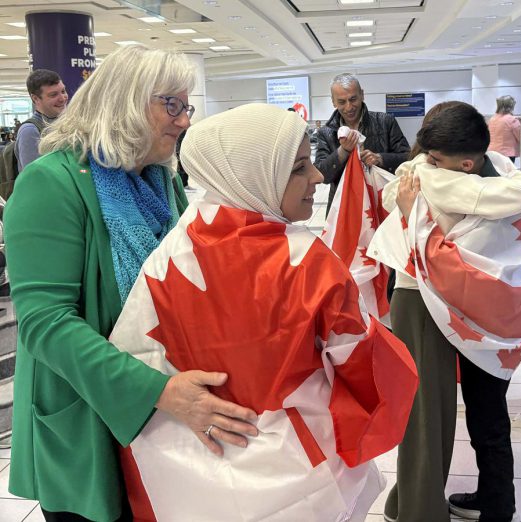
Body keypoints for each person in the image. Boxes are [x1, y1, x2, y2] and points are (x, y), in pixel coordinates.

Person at [107, 103, 418, 520]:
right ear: (253, 174)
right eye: (298, 168)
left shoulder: (166, 256)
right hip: (298, 473)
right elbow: (367, 368)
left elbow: (133, 359)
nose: (319, 176)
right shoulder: (308, 262)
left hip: (184, 476)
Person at [5, 45, 258, 522]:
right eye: (172, 105)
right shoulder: (50, 184)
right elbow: (45, 325)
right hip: (87, 414)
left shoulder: (160, 181)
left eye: (187, 107)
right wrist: (159, 392)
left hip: (160, 411)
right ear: (125, 101)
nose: (184, 121)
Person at [370, 102, 521, 522]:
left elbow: (398, 192)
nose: (426, 162)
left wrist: (415, 216)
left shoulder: (432, 179)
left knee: (437, 415)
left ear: (465, 161)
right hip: (468, 307)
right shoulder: (503, 173)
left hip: (440, 298)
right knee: (449, 413)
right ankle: (447, 503)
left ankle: (432, 508)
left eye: (435, 156)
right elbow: (394, 191)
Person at [314, 73, 411, 212]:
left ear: (362, 95)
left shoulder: (385, 121)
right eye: (341, 102)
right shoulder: (326, 132)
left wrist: (380, 159)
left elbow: (408, 158)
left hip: (382, 203)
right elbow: (322, 174)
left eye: (353, 99)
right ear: (333, 102)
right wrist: (343, 152)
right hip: (343, 208)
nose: (349, 107)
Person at [15, 69, 69, 172]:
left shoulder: (66, 123)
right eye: (53, 95)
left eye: (63, 91)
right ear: (35, 98)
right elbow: (34, 176)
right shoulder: (30, 130)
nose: (62, 98)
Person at [488, 95, 521, 162]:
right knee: (507, 172)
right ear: (511, 106)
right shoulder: (512, 120)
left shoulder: (492, 119)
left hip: (491, 152)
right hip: (507, 154)